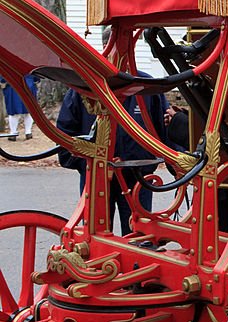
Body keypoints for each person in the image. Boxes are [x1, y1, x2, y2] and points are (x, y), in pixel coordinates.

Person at [56, 29, 169, 235]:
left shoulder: (147, 86)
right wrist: (86, 164)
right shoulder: (84, 87)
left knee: (138, 238)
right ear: (106, 48)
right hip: (97, 177)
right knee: (97, 237)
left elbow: (162, 132)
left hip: (138, 178)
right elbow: (65, 134)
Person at [0, 75, 38, 140]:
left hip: (13, 85)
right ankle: (28, 133)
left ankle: (13, 133)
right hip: (28, 85)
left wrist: (3, 81)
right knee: (29, 110)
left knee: (13, 111)